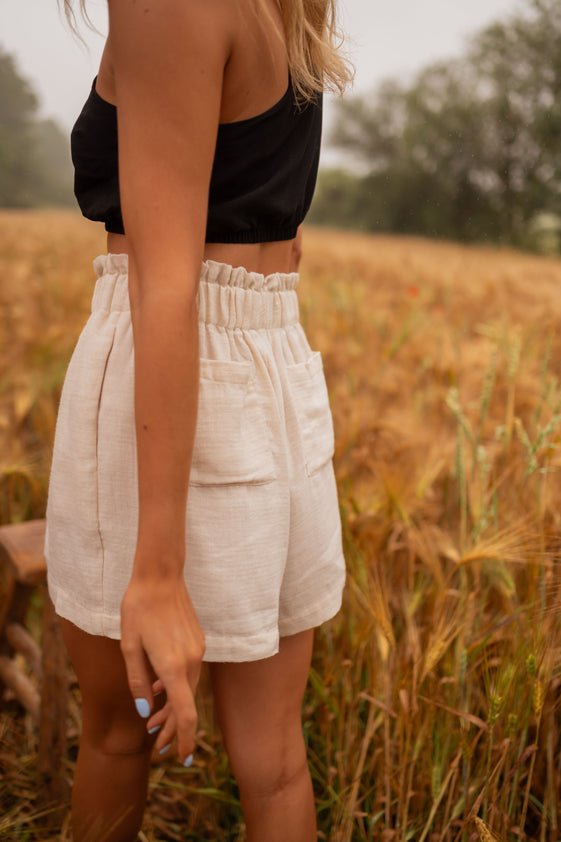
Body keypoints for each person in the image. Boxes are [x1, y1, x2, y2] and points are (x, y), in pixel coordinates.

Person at [45, 0, 351, 839]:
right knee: (274, 758)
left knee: (116, 736)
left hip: (168, 363)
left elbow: (167, 286)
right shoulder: (289, 5)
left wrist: (156, 573)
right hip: (273, 359)